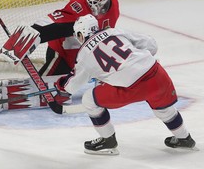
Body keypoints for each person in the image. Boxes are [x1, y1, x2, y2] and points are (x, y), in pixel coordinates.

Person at [0, 0, 120, 113]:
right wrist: (32, 35)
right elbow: (55, 21)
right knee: (47, 86)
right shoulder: (79, 5)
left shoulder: (113, 7)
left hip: (86, 52)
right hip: (64, 51)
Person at [54, 14, 196, 155]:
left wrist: (60, 88)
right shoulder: (113, 31)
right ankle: (185, 139)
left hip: (132, 88)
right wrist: (136, 61)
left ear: (81, 33)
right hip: (157, 74)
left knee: (89, 100)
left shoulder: (84, 53)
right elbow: (150, 44)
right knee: (163, 109)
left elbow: (72, 84)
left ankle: (107, 141)